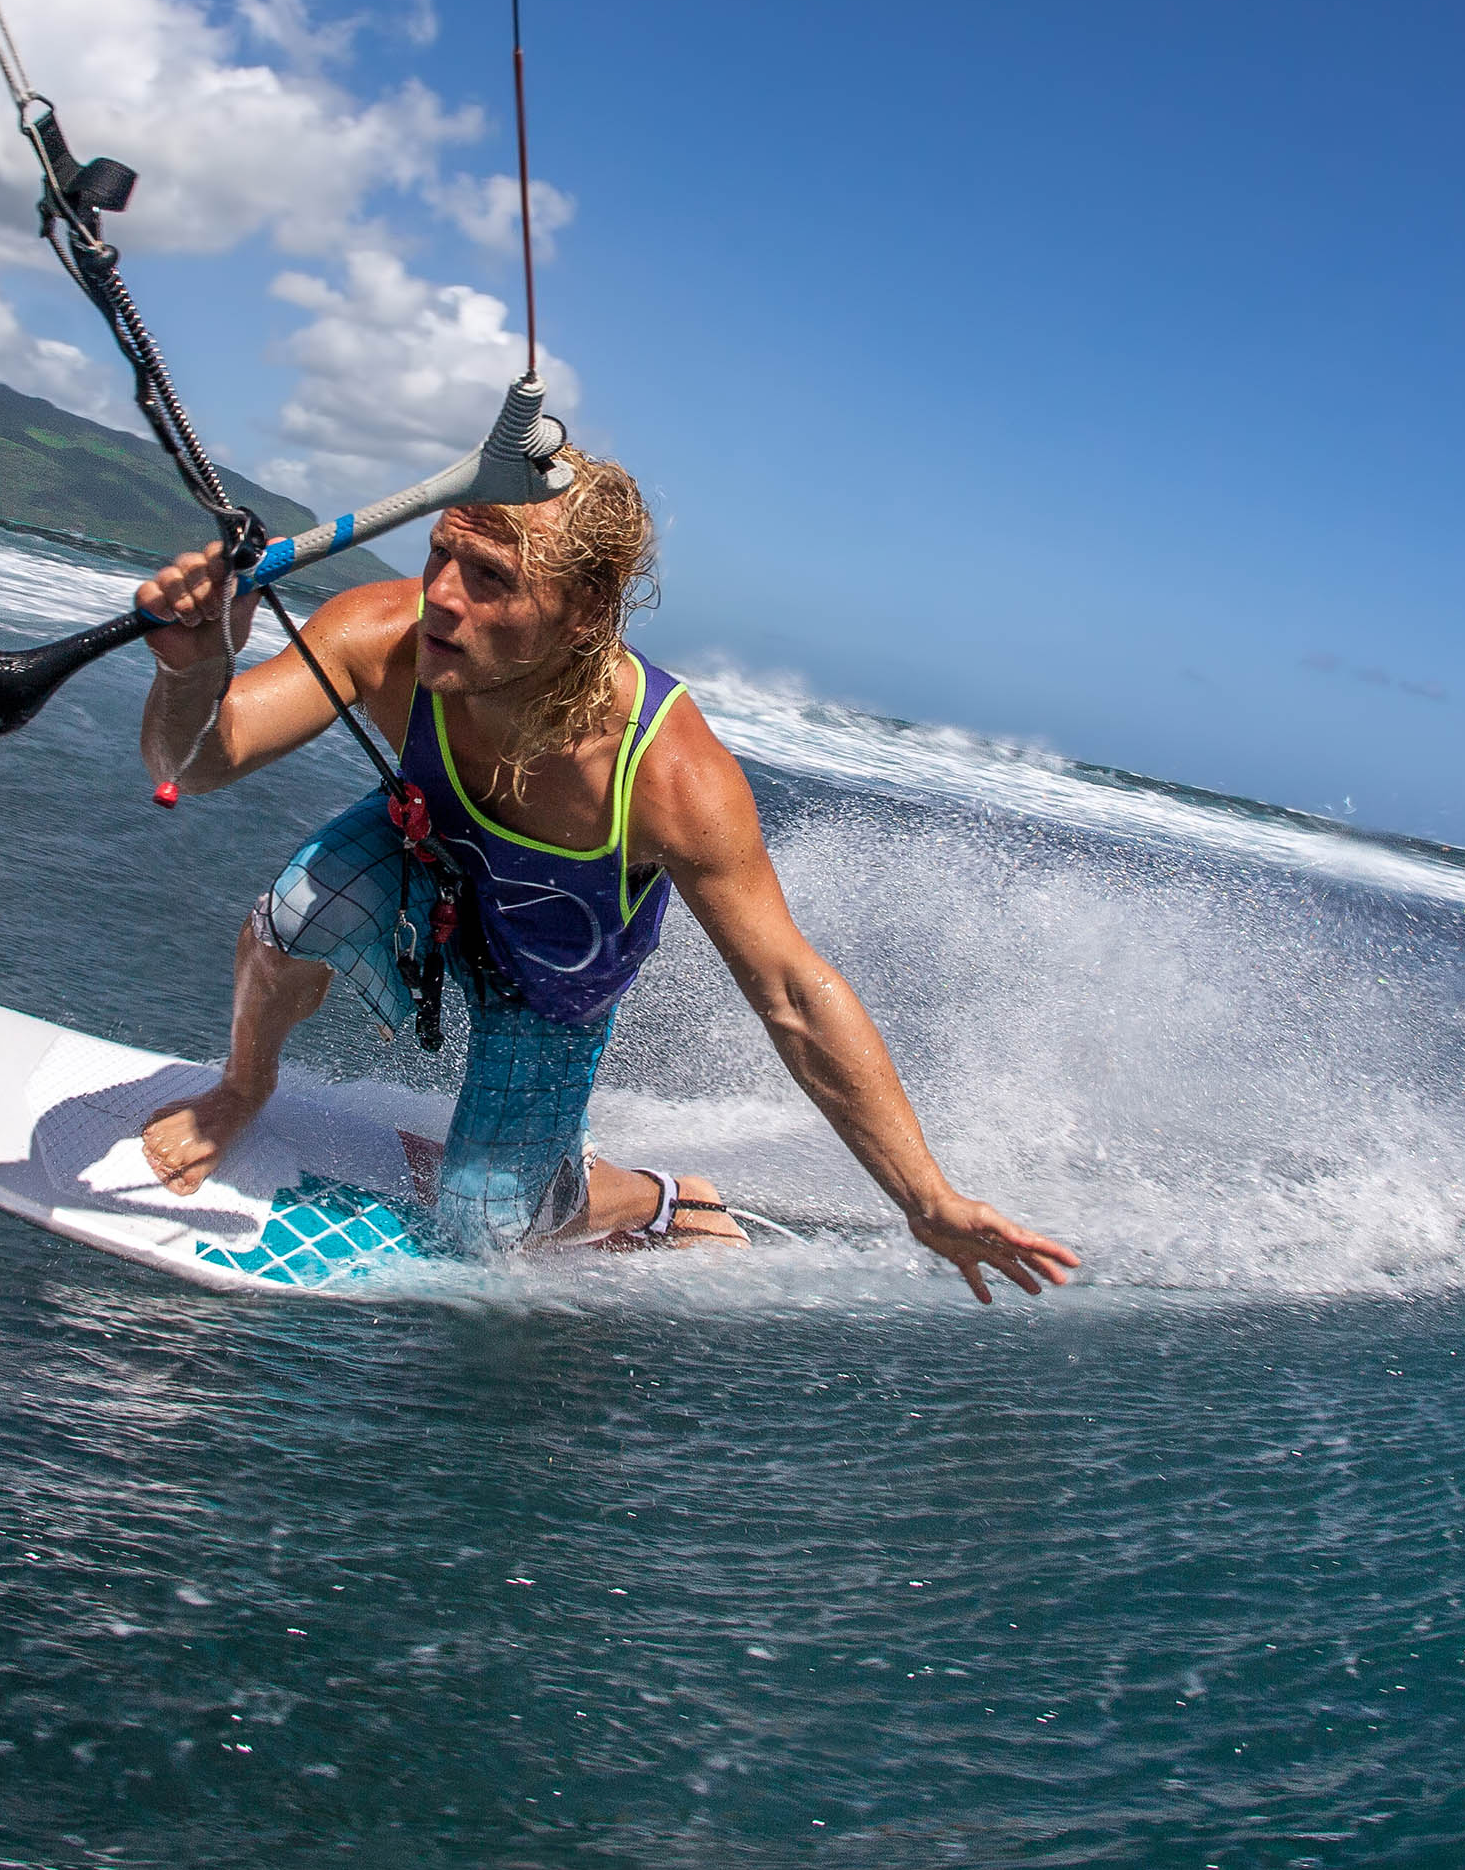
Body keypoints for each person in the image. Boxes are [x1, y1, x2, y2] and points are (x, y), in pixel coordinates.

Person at [128, 452, 1079, 1301]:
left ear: (582, 615)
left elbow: (792, 989)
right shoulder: (385, 638)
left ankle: (655, 1197)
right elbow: (198, 762)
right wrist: (193, 668)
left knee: (487, 1232)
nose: (443, 597)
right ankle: (243, 1087)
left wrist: (927, 1197)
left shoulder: (671, 777)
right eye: (439, 556)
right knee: (297, 910)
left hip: (550, 982)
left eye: (492, 578)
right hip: (432, 883)